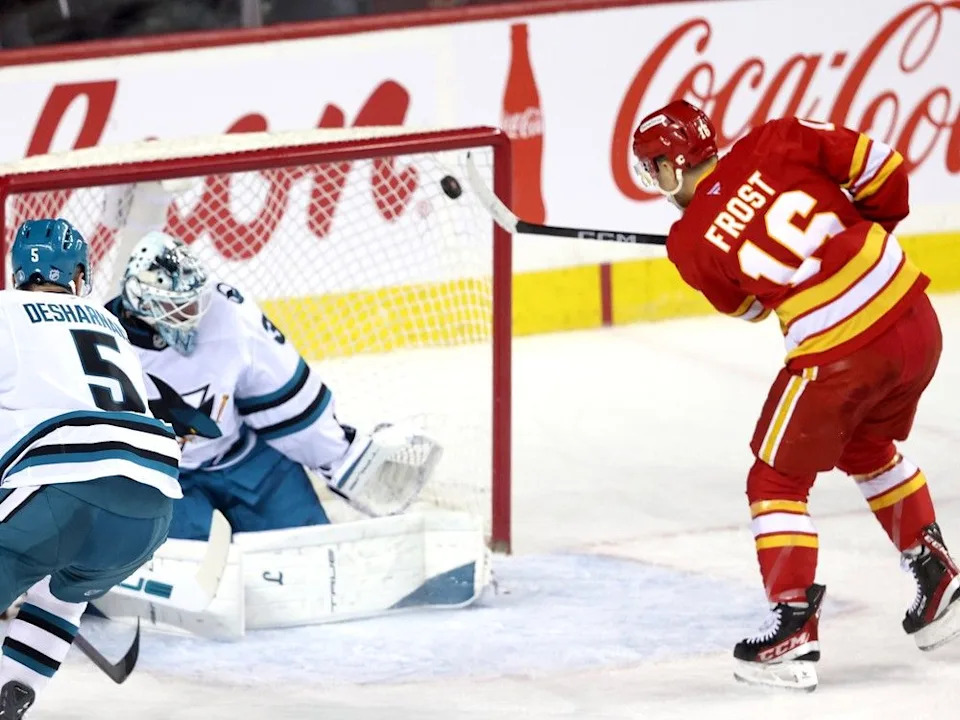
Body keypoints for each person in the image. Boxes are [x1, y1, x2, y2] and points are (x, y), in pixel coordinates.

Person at [631, 100, 960, 690]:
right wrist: (863, 239)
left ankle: (791, 629)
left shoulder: (688, 242)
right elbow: (885, 170)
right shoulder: (778, 138)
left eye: (653, 168)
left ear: (673, 165)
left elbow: (751, 307)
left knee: (774, 480)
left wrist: (714, 244)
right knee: (865, 443)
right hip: (914, 316)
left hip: (841, 353)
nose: (654, 181)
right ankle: (936, 574)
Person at [104, 230, 440, 541]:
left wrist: (342, 457)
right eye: (179, 306)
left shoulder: (226, 314)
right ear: (143, 305)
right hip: (160, 481)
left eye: (193, 300)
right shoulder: (100, 343)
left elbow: (283, 394)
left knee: (309, 552)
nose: (194, 312)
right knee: (190, 573)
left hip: (245, 460)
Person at [0, 218, 181, 716]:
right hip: (152, 509)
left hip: (62, 492)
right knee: (61, 596)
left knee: (43, 540)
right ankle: (14, 684)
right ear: (78, 275)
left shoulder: (6, 311)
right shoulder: (111, 323)